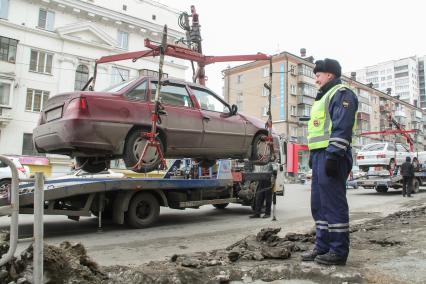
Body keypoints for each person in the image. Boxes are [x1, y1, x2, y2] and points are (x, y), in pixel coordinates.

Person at [301, 58, 358, 266]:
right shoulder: (323, 97)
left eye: (318, 75)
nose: (316, 80)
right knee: (319, 204)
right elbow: (319, 131)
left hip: (333, 155)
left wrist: (333, 156)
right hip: (320, 155)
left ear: (329, 75)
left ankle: (338, 251)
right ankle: (323, 246)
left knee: (333, 204)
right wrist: (312, 156)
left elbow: (342, 127)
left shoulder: (342, 93)